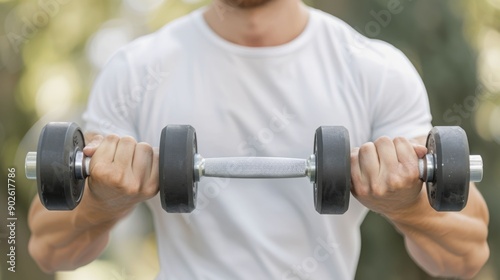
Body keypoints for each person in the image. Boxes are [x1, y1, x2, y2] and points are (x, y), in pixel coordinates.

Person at [27, 0, 489, 279]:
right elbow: (48, 249)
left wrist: (407, 205)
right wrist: (102, 204)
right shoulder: (137, 71)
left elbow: (466, 255)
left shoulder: (375, 71)